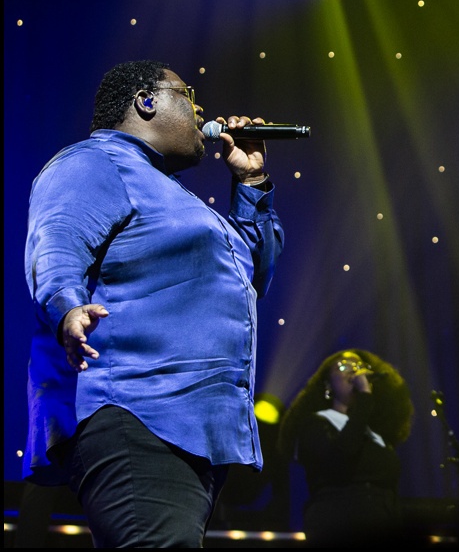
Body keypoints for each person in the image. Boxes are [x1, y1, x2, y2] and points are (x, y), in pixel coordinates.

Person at [22, 59, 285, 547]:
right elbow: (57, 239)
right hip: (136, 410)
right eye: (189, 96)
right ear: (146, 101)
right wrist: (67, 307)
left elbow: (251, 275)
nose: (201, 110)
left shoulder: (170, 195)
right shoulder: (95, 161)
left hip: (191, 427)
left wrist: (251, 184)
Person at [278, 349, 414, 547]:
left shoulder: (373, 434)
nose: (354, 371)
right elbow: (341, 458)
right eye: (344, 366)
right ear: (328, 385)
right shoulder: (316, 424)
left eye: (359, 366)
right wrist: (365, 398)